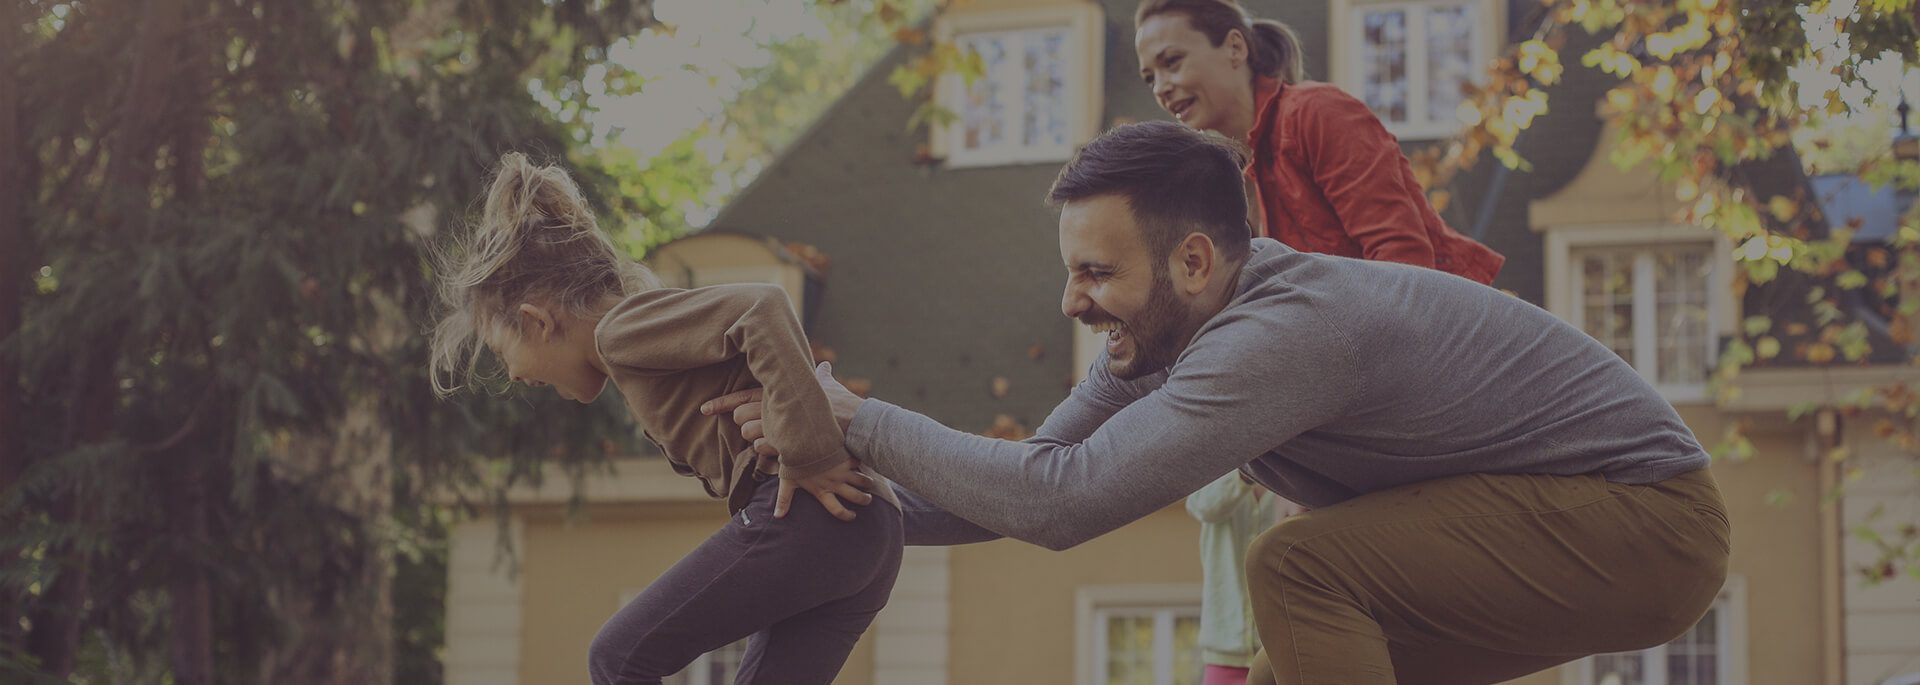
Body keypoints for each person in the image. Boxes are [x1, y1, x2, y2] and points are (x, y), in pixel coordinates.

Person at [707, 121, 1730, 685]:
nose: (1073, 301)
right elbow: (1023, 488)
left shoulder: (1282, 334)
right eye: (1071, 272)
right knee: (1301, 646)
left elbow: (1062, 504)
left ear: (1194, 259)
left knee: (1297, 563)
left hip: (1645, 517)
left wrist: (860, 417)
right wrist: (832, 482)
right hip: (1567, 523)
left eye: (1097, 274)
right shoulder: (1162, 332)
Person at [429, 153, 901, 685]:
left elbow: (762, 307)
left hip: (809, 518)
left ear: (536, 321)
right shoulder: (644, 352)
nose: (511, 375)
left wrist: (810, 453)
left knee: (618, 657)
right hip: (867, 536)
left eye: (501, 351)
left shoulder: (621, 330)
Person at [1134, 0, 1504, 284]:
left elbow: (1402, 260)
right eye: (1150, 78)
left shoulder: (1315, 113)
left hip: (1444, 353)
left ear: (1235, 48)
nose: (1162, 88)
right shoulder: (1225, 178)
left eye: (1173, 61)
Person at [1187, 473, 1291, 685]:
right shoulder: (1214, 472)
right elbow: (1203, 507)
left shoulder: (1289, 477)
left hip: (1280, 653)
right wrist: (1246, 472)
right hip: (1224, 652)